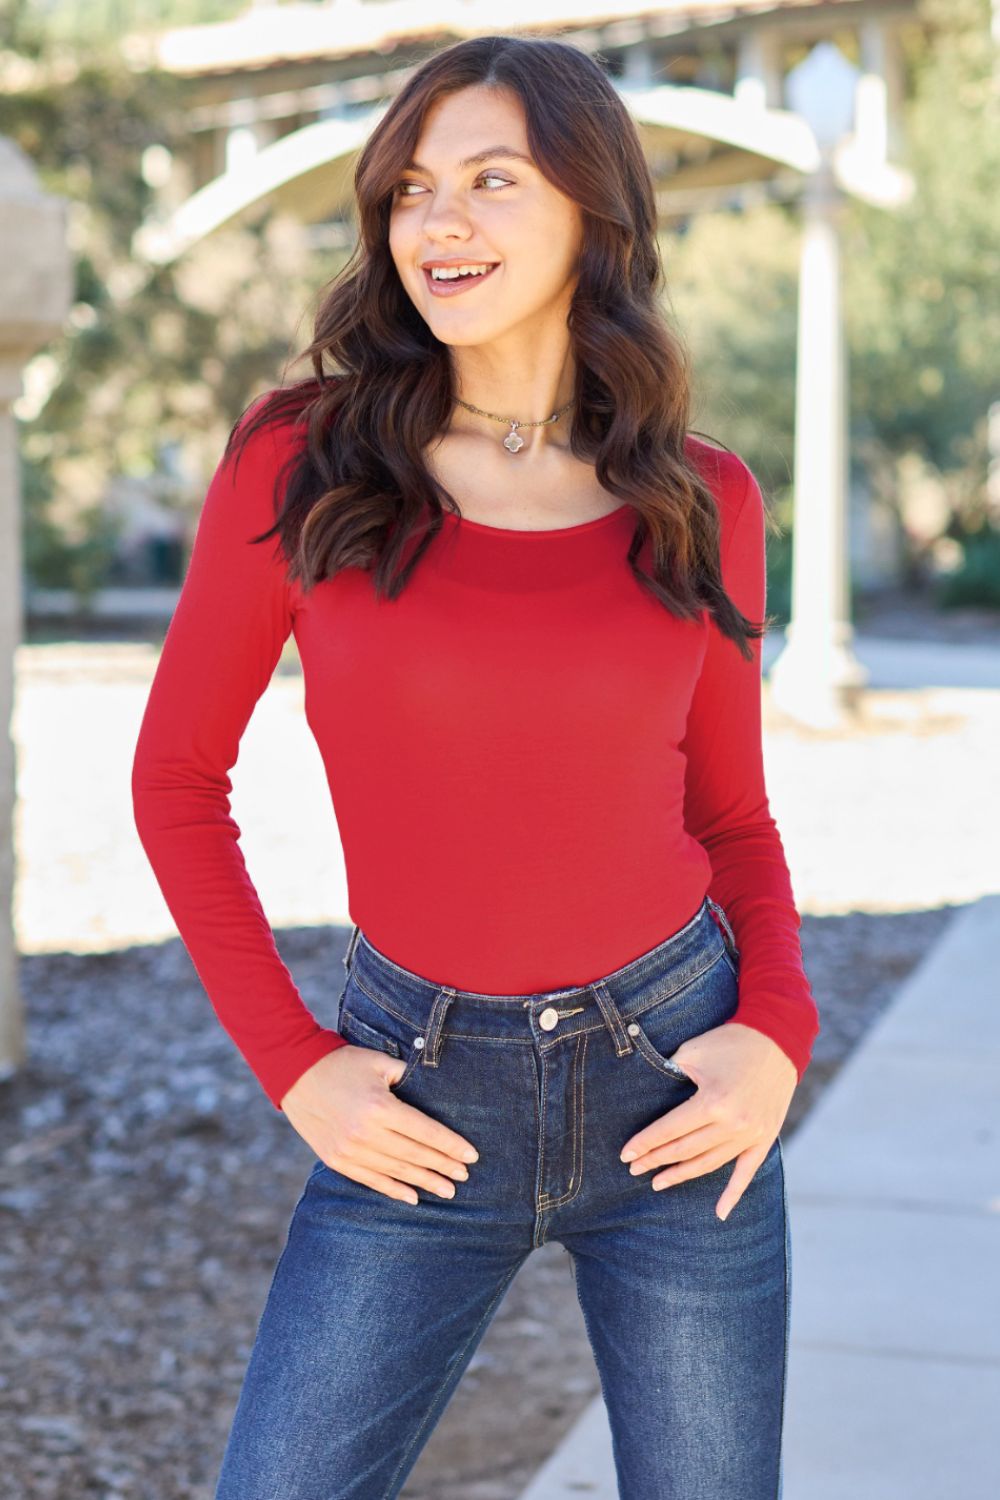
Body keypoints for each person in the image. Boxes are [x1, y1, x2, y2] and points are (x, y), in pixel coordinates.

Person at [131, 32, 819, 1500]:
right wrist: (296, 1070)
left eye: (491, 182)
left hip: (673, 1084)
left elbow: (734, 821)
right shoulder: (299, 462)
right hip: (415, 1096)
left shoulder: (702, 500)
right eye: (411, 191)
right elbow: (178, 782)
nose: (438, 224)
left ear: (593, 212)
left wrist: (776, 1037)